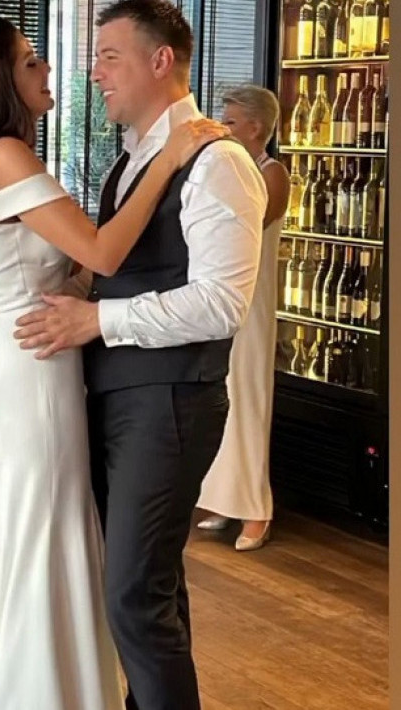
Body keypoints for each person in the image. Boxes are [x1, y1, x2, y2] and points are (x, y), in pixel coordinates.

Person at [0, 16, 224, 710]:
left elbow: (64, 274)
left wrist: (84, 297)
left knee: (30, 532)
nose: (49, 70)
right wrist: (168, 161)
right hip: (36, 375)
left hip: (28, 360)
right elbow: (104, 253)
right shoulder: (4, 153)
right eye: (32, 62)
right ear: (0, 82)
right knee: (40, 534)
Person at [13, 3, 267, 709]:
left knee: (132, 594)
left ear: (161, 61)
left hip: (170, 401)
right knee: (148, 587)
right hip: (123, 395)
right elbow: (125, 267)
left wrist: (98, 319)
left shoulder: (219, 162)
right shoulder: (133, 158)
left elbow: (221, 304)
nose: (94, 74)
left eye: (109, 56)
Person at [197, 85, 290, 551]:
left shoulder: (273, 174)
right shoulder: (232, 168)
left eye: (231, 121)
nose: (224, 127)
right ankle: (224, 498)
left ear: (256, 127)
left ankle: (257, 508)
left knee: (249, 398)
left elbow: (250, 227)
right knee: (225, 397)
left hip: (252, 303)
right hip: (224, 296)